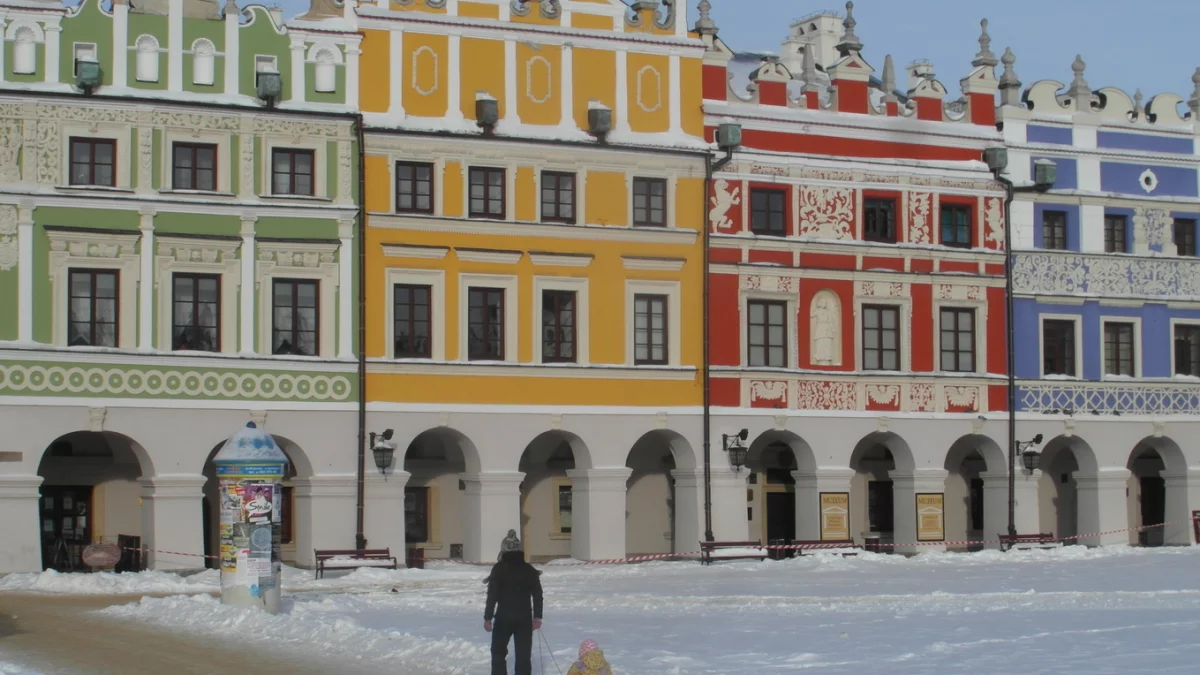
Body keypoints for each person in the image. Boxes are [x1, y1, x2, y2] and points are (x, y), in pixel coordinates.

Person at [484, 530, 543, 675]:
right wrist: (537, 617)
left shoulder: (498, 569)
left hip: (503, 617)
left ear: (503, 549)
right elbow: (538, 594)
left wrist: (488, 617)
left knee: (498, 653)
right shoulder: (529, 569)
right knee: (523, 657)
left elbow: (492, 595)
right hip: (524, 618)